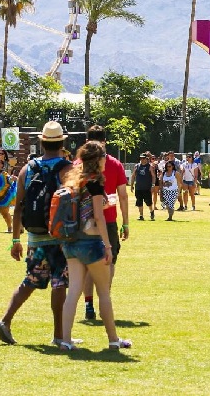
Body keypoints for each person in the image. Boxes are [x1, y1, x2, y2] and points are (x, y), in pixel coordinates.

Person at [0, 121, 75, 347]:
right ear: (62, 142)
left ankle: (5, 320)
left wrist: (16, 240)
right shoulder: (67, 169)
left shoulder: (27, 169)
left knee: (31, 280)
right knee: (59, 283)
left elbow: (18, 206)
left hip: (35, 236)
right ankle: (59, 335)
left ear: (41, 143)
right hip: (60, 237)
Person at [53, 141, 129, 351]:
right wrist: (107, 245)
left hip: (70, 240)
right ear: (98, 159)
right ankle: (113, 339)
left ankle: (65, 341)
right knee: (104, 292)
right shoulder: (95, 181)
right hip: (90, 240)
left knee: (74, 291)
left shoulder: (73, 179)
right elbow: (98, 216)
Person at [79, 127, 130, 324]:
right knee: (109, 261)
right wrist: (125, 223)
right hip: (107, 219)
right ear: (105, 142)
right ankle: (104, 300)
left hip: (83, 221)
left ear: (86, 141)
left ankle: (89, 303)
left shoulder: (78, 163)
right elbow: (123, 196)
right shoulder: (115, 164)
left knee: (86, 264)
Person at [131, 153, 157, 221]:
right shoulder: (137, 166)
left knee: (148, 202)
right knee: (139, 202)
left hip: (146, 187)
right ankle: (141, 215)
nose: (142, 159)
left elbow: (153, 176)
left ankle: (151, 211)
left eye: (143, 158)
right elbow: (133, 175)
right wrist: (132, 185)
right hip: (138, 187)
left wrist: (153, 185)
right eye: (141, 158)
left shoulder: (149, 166)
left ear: (146, 159)